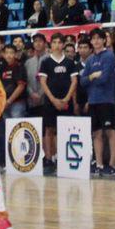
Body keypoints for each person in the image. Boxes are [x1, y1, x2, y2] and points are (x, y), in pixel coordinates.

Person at [38, 36, 77, 173]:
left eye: (59, 42)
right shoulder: (46, 62)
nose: (57, 44)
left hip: (66, 101)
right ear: (51, 44)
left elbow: (74, 81)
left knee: (65, 130)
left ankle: (63, 159)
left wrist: (66, 99)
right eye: (54, 42)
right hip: (50, 101)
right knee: (49, 129)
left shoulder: (69, 62)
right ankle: (49, 159)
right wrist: (53, 99)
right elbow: (43, 82)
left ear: (63, 44)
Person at [82, 30, 115, 176]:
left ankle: (111, 164)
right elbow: (83, 81)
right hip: (93, 100)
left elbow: (104, 78)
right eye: (94, 39)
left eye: (99, 38)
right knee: (96, 133)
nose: (96, 41)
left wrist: (92, 78)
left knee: (110, 131)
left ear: (104, 40)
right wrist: (92, 75)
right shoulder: (90, 59)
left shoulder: (109, 56)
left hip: (106, 99)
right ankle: (99, 163)